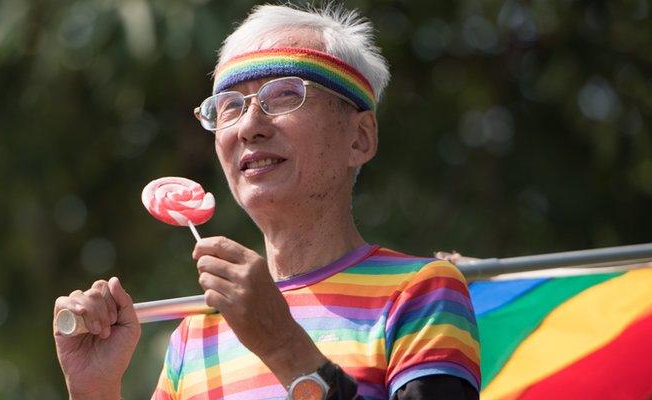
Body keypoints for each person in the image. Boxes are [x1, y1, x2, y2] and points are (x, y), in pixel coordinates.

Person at [53, 5, 480, 400]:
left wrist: (281, 344)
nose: (250, 126)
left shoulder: (422, 291)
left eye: (283, 96)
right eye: (228, 107)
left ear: (360, 136)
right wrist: (95, 389)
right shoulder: (195, 333)